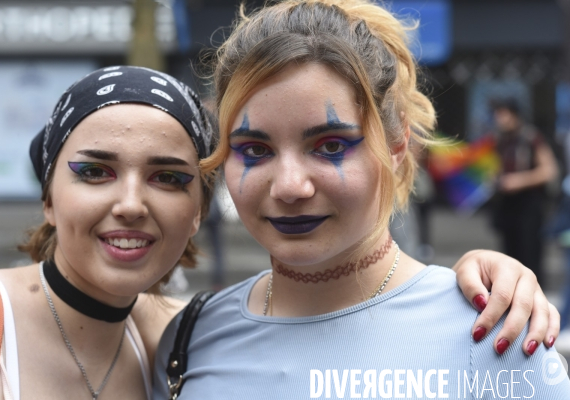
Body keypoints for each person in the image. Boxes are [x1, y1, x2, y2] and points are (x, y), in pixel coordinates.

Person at [152, 1, 570, 398]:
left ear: (397, 143)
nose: (290, 187)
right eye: (255, 151)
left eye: (330, 146)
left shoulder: (500, 335)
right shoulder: (188, 339)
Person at [0, 66, 214, 400]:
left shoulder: (186, 343)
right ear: (49, 200)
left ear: (198, 211)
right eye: (95, 171)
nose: (131, 206)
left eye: (168, 177)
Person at [491, 98, 558, 284]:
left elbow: (549, 170)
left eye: (503, 114)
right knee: (509, 255)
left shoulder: (530, 137)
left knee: (529, 254)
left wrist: (518, 181)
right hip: (507, 205)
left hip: (528, 205)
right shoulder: (500, 140)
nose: (499, 119)